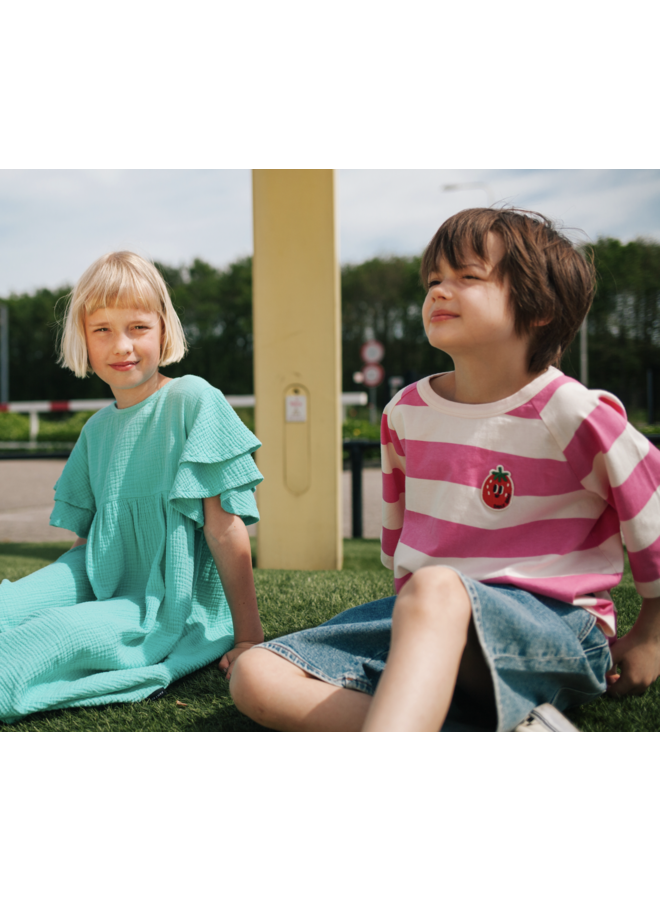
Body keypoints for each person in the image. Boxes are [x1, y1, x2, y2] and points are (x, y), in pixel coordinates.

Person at [229, 207, 660, 732]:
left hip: (554, 629)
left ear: (540, 308)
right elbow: (400, 541)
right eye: (434, 279)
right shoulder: (405, 413)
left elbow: (653, 514)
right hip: (424, 616)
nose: (438, 291)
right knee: (255, 674)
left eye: (468, 277)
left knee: (435, 588)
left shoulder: (573, 413)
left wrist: (651, 636)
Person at [0, 251, 263, 723]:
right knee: (7, 606)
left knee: (53, 634)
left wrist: (248, 639)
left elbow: (225, 532)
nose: (121, 345)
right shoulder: (96, 430)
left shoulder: (194, 401)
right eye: (102, 329)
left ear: (164, 329)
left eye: (138, 327)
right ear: (83, 339)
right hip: (101, 579)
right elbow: (90, 543)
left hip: (166, 604)